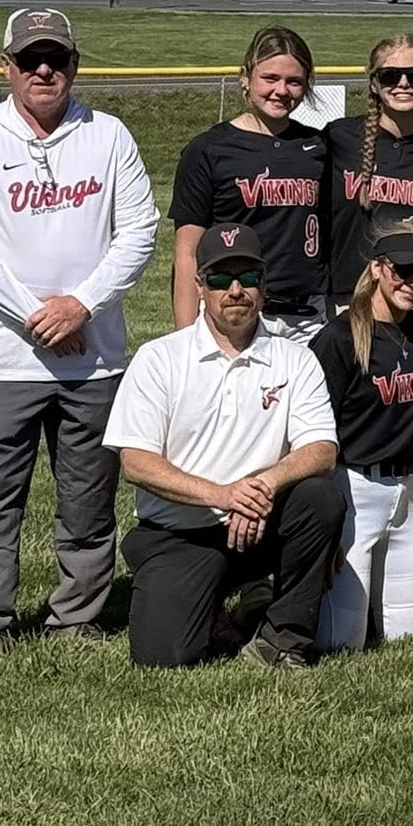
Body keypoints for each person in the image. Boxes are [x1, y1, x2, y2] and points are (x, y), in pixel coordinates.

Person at [0, 7, 159, 655]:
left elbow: (139, 231)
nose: (42, 70)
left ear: (74, 65)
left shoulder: (108, 136)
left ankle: (77, 616)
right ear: (6, 66)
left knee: (89, 498)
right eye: (29, 58)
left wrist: (81, 305)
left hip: (93, 358)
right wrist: (43, 318)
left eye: (55, 58)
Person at [102, 224, 345, 669]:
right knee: (164, 656)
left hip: (260, 522)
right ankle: (213, 609)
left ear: (264, 285)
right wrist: (223, 495)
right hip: (181, 532)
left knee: (320, 499)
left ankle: (280, 638)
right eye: (219, 278)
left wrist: (260, 489)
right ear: (199, 286)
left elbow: (322, 450)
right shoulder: (160, 358)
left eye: (248, 277)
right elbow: (135, 463)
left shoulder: (296, 358)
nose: (235, 290)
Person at [309, 223, 413, 652]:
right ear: (378, 269)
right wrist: (325, 521)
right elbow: (313, 430)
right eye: (404, 270)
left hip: (412, 495)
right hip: (355, 491)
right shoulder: (338, 338)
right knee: (340, 644)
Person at [170, 26, 328, 346]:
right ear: (245, 77)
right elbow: (187, 253)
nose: (281, 90)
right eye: (270, 78)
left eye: (294, 81)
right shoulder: (209, 149)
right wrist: (185, 340)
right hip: (234, 309)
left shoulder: (319, 147)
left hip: (308, 318)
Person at [323, 34, 413, 323]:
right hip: (354, 293)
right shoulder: (339, 138)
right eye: (390, 75)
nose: (403, 83)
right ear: (373, 82)